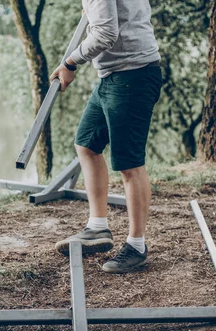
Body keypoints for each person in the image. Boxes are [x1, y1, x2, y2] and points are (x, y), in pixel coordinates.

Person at [50, 0, 162, 274]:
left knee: (129, 164)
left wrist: (70, 63)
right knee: (87, 144)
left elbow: (105, 34)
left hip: (131, 76)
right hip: (113, 76)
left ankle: (136, 246)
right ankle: (98, 227)